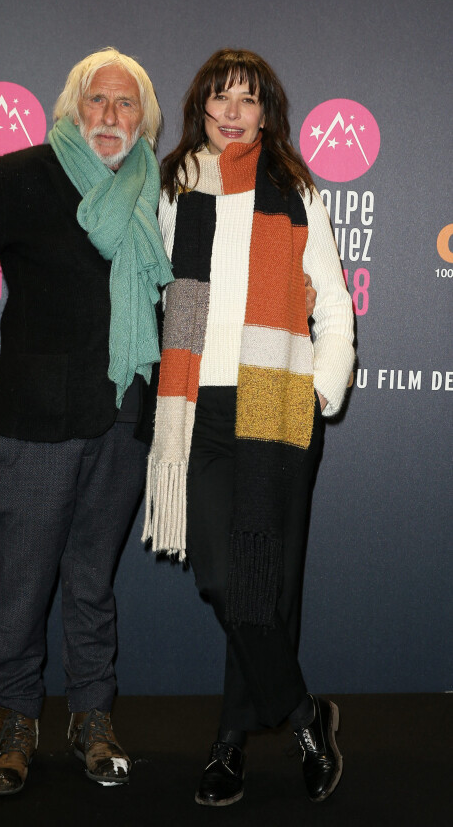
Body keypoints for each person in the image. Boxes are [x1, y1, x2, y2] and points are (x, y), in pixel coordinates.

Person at [0, 48, 173, 795]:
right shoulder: (26, 174)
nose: (111, 116)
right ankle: (16, 718)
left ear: (144, 120)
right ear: (72, 108)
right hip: (34, 424)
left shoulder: (152, 187)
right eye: (98, 100)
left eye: (127, 105)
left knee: (92, 580)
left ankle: (93, 715)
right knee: (26, 582)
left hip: (124, 417)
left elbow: (173, 298)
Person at [143, 49, 354, 807]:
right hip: (199, 408)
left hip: (275, 406)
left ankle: (229, 745)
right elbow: (160, 290)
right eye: (219, 98)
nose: (233, 111)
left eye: (248, 99)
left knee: (259, 587)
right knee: (222, 578)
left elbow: (331, 303)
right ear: (201, 107)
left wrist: (320, 390)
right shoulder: (176, 186)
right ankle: (306, 715)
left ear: (268, 113)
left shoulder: (293, 188)